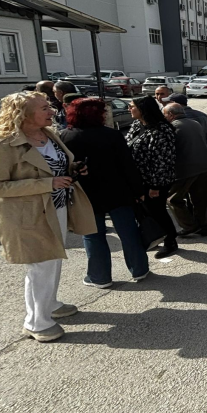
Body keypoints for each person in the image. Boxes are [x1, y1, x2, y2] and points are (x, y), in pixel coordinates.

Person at [0, 92, 96, 342]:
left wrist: (72, 169)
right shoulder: (1, 144)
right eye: (44, 108)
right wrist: (47, 183)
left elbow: (52, 165)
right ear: (22, 114)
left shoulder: (48, 133)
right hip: (26, 215)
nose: (52, 111)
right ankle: (36, 322)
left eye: (50, 106)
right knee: (40, 266)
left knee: (53, 260)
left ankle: (50, 303)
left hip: (55, 207)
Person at [59, 98, 149, 287]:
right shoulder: (112, 135)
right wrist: (138, 190)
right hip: (118, 191)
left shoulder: (65, 137)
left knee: (93, 235)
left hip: (86, 194)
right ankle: (139, 269)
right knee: (128, 232)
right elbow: (128, 165)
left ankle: (99, 277)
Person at [125, 96, 178, 259]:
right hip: (139, 179)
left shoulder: (162, 130)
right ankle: (157, 236)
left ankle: (170, 241)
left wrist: (155, 187)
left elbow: (163, 160)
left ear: (143, 109)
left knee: (157, 211)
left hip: (156, 181)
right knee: (147, 211)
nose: (129, 109)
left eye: (132, 106)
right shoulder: (137, 124)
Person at [163, 102, 207, 238]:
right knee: (200, 199)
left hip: (187, 168)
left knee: (173, 199)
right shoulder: (194, 123)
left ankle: (189, 226)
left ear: (171, 115)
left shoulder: (172, 127)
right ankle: (204, 227)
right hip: (204, 165)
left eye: (164, 114)